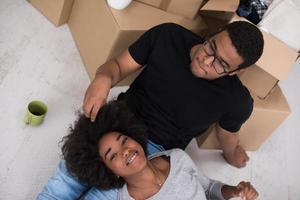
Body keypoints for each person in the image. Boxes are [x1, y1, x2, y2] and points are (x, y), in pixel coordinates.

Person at [37, 21, 264, 199]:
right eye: (211, 47)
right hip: (115, 126)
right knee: (61, 189)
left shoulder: (237, 100)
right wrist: (103, 79)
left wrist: (232, 156)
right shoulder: (169, 35)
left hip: (153, 155)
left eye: (221, 64)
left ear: (236, 71)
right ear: (216, 31)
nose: (206, 61)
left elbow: (227, 134)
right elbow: (117, 66)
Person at [62, 100, 259, 200]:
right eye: (112, 156)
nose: (124, 151)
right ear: (109, 171)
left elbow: (209, 188)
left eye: (124, 140)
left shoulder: (177, 157)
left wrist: (235, 191)